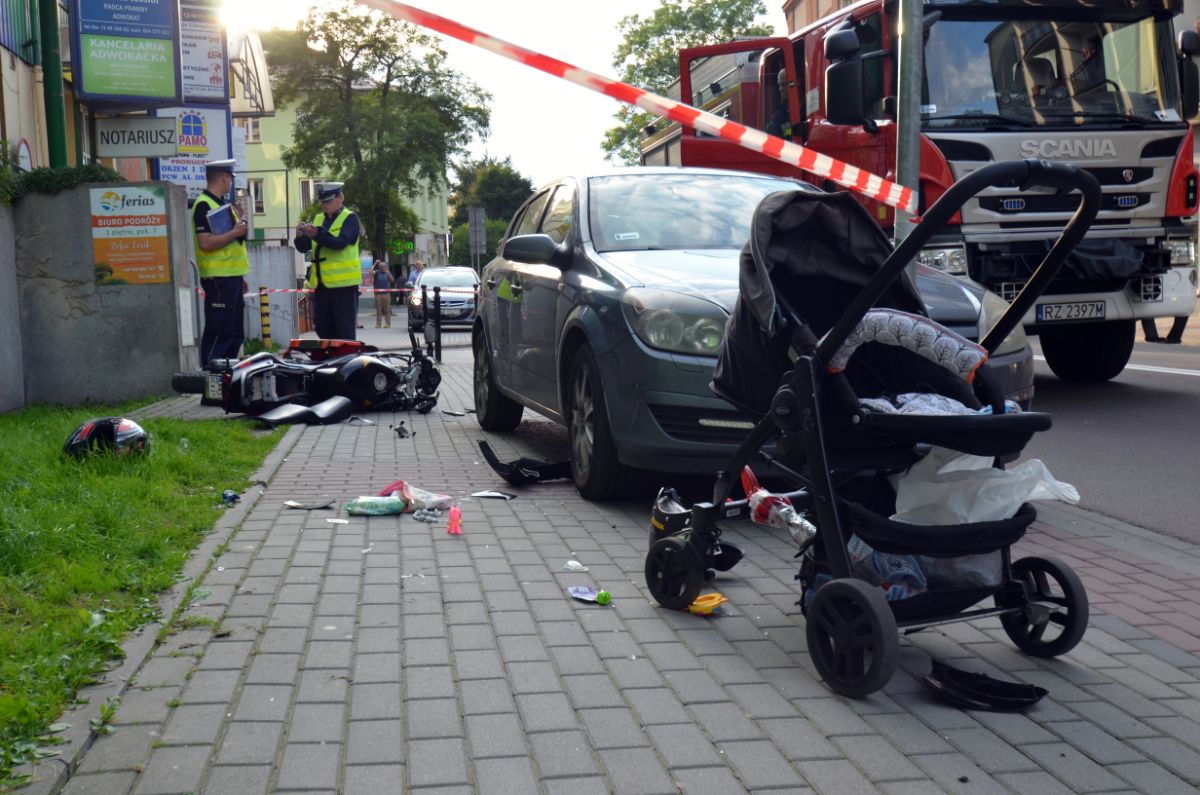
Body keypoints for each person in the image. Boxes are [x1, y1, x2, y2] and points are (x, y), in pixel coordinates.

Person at [193, 159, 249, 365]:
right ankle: (211, 383)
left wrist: (238, 276)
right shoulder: (204, 205)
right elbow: (205, 243)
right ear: (225, 178)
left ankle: (228, 383)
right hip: (218, 280)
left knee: (235, 335)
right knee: (219, 335)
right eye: (231, 179)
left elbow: (232, 244)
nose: (231, 183)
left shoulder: (221, 205)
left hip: (231, 279)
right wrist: (235, 231)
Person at [293, 182, 362, 340]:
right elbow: (305, 247)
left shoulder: (350, 218)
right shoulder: (318, 219)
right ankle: (330, 358)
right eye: (323, 202)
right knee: (322, 326)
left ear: (340, 197)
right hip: (321, 285)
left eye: (328, 201)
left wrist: (317, 234)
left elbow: (340, 244)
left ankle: (346, 360)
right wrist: (300, 236)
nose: (325, 205)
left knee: (345, 331)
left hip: (344, 286)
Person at [371, 259, 395, 328]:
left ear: (386, 267)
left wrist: (388, 272)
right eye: (381, 267)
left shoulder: (387, 272)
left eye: (384, 267)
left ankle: (387, 323)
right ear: (379, 267)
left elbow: (392, 280)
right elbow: (370, 272)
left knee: (386, 309)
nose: (382, 268)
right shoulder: (377, 272)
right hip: (378, 294)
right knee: (378, 309)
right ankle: (378, 323)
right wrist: (375, 264)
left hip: (386, 293)